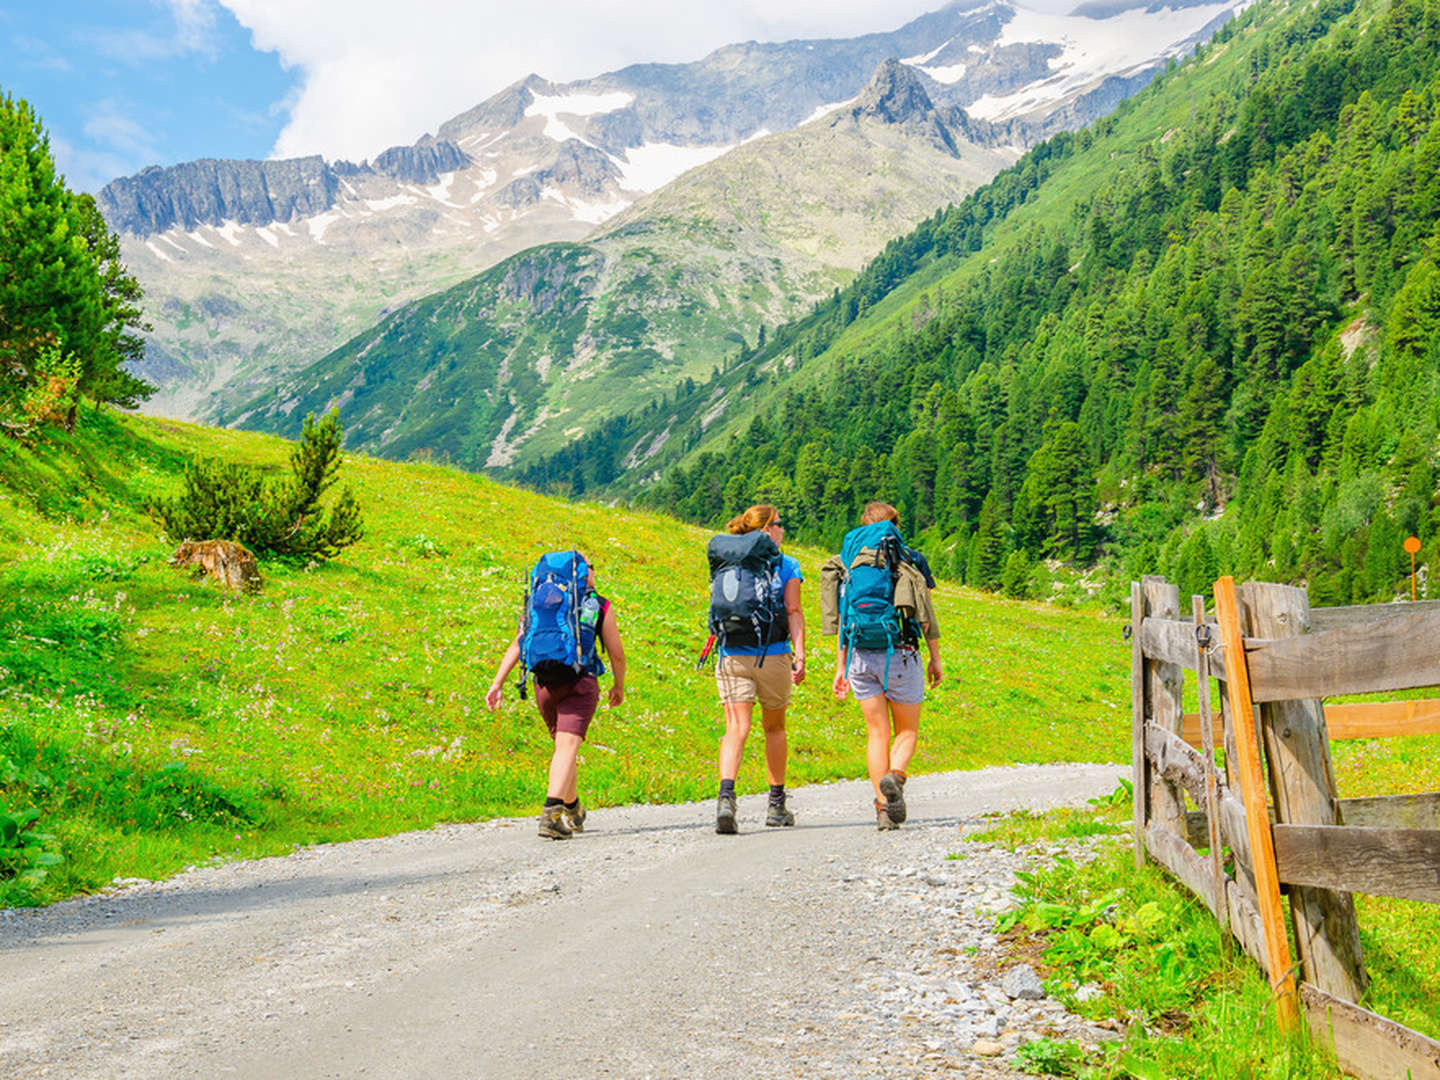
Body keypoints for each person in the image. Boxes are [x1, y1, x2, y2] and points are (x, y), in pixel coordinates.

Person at [485, 552, 626, 839]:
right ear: (584, 572)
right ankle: (551, 814)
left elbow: (518, 643)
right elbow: (617, 654)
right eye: (592, 567)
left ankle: (573, 808)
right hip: (580, 682)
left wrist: (497, 683)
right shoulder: (598, 605)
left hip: (543, 685)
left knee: (564, 748)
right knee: (566, 748)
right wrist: (618, 686)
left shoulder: (542, 602)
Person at [826, 502, 942, 831]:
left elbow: (843, 616)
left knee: (877, 733)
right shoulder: (909, 557)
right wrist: (935, 659)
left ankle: (882, 809)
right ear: (894, 525)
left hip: (860, 656)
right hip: (901, 652)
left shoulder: (849, 561)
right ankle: (896, 778)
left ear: (865, 524)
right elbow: (925, 614)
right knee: (906, 730)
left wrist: (841, 666)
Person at [709, 504, 805, 834]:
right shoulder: (787, 564)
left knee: (736, 727)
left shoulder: (727, 560)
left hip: (731, 654)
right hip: (774, 654)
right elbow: (793, 609)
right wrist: (800, 653)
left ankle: (726, 799)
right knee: (774, 728)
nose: (782, 530)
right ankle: (776, 806)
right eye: (779, 524)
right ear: (767, 530)